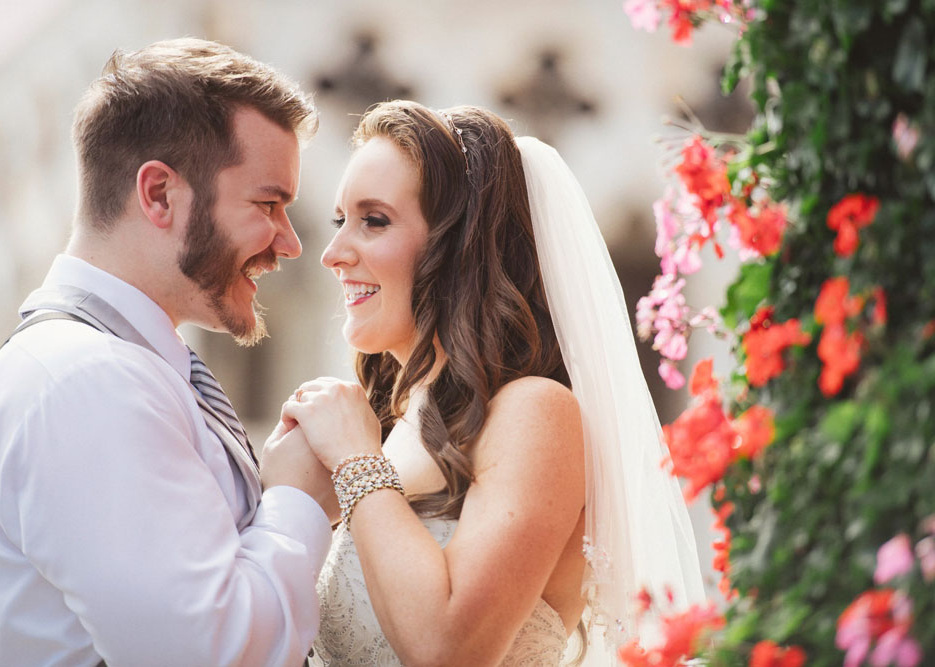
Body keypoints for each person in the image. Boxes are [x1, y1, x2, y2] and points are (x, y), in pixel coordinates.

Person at [263, 101, 707, 666]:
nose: (332, 254)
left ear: (459, 246)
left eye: (374, 220)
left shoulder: (534, 412)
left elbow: (446, 649)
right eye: (339, 220)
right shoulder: (394, 429)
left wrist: (355, 462)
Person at [0, 38, 335, 666]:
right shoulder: (84, 381)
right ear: (158, 194)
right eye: (268, 205)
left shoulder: (123, 369)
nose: (289, 244)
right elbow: (208, 654)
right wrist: (298, 499)